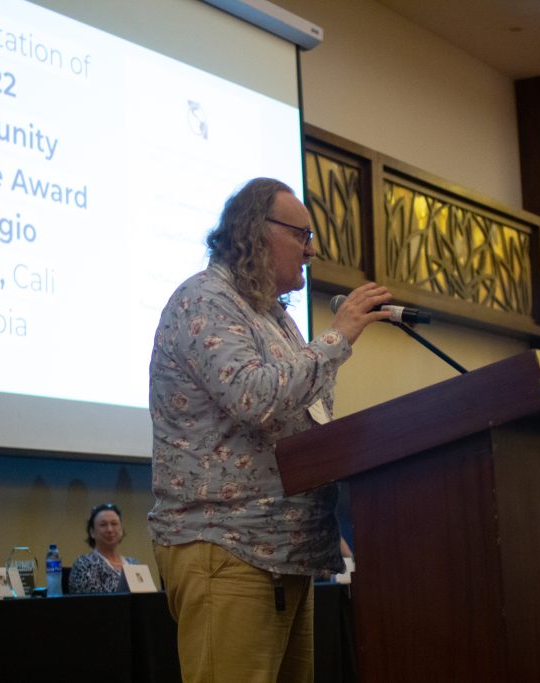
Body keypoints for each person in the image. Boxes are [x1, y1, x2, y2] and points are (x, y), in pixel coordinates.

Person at [147, 177, 392, 683]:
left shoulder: (273, 316)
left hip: (286, 550)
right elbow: (253, 397)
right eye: (302, 235)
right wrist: (339, 336)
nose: (311, 250)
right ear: (256, 232)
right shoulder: (205, 299)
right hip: (228, 545)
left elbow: (304, 412)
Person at [68, 503, 141, 594]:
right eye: (103, 525)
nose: (110, 530)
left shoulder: (134, 564)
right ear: (92, 532)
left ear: (121, 530)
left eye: (114, 524)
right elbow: (91, 600)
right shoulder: (84, 564)